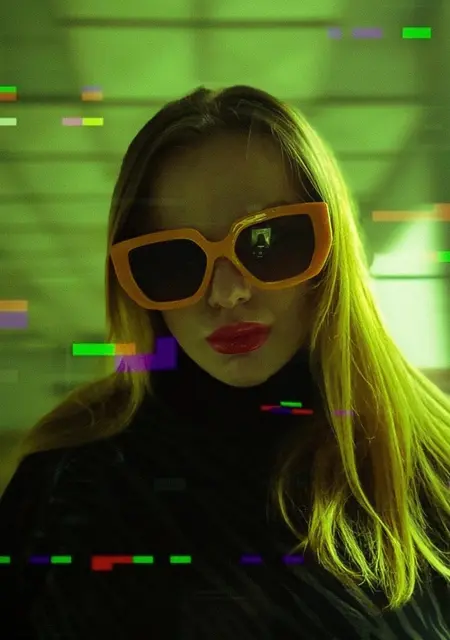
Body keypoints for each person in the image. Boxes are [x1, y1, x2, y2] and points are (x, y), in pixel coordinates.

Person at [0, 85, 449, 640]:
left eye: (268, 242)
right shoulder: (66, 481)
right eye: (174, 259)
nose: (228, 292)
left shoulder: (432, 465)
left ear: (331, 249)